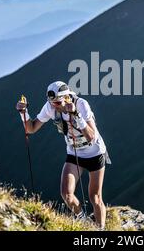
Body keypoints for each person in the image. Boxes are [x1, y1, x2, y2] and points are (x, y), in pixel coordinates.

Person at [16, 81, 110, 229]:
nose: (55, 106)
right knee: (66, 194)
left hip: (95, 153)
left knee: (95, 197)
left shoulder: (81, 104)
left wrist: (76, 115)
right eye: (52, 103)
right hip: (74, 153)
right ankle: (84, 223)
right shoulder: (50, 107)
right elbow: (31, 128)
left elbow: (91, 136)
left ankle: (100, 231)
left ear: (67, 97)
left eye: (58, 102)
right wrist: (24, 113)